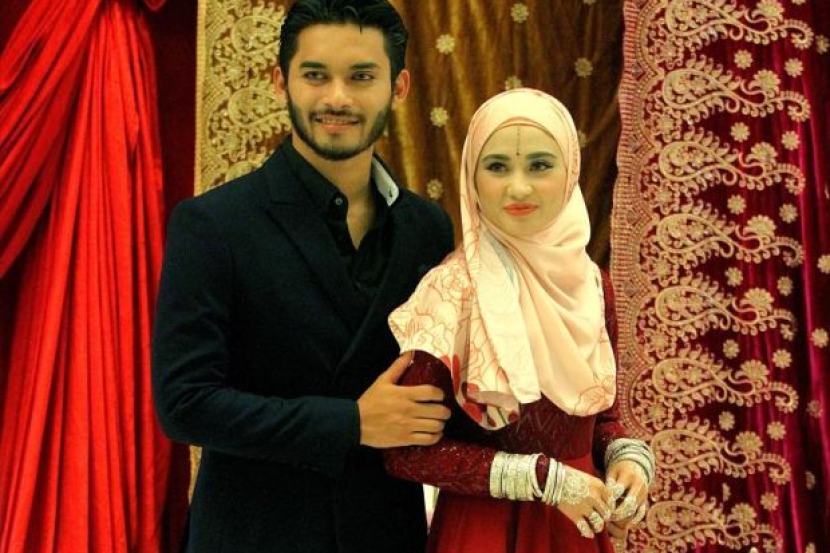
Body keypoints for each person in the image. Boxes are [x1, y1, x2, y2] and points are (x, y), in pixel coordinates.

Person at [151, 1, 454, 552]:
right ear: (280, 82)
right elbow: (185, 404)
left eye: (361, 77)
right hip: (252, 535)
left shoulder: (427, 229)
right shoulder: (212, 224)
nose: (337, 97)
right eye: (315, 75)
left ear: (399, 87)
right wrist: (350, 424)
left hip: (385, 534)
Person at [384, 88, 656, 552]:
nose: (518, 188)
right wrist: (539, 479)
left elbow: (600, 418)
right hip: (484, 531)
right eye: (496, 167)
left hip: (575, 529)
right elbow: (406, 452)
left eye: (539, 165)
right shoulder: (452, 292)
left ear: (570, 171)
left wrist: (627, 459)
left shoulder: (593, 286)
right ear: (472, 178)